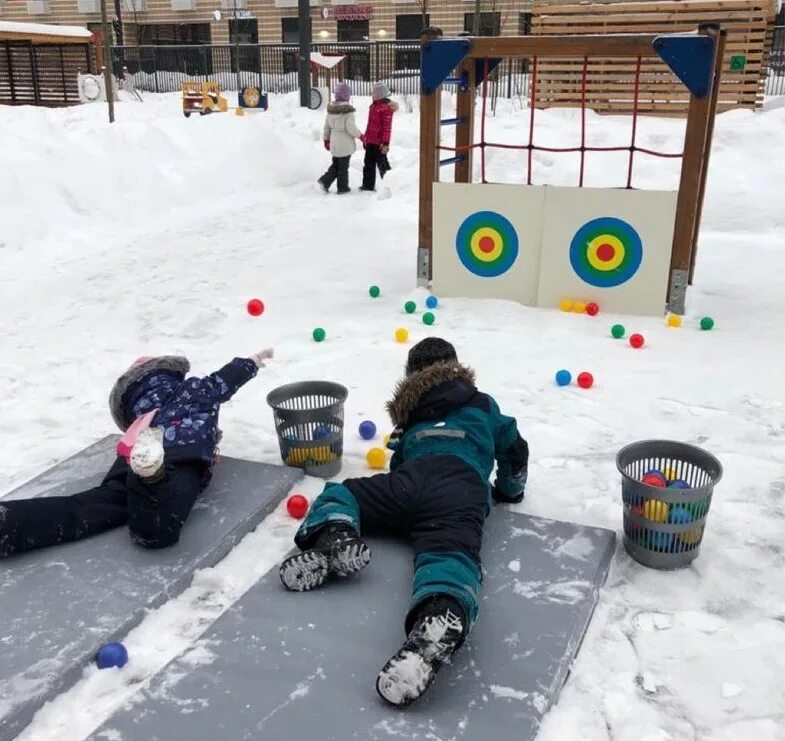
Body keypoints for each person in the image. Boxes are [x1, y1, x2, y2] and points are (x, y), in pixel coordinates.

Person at [279, 338, 529, 707]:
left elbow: (401, 463)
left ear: (411, 376)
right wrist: (510, 490)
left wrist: (399, 503)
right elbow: (514, 449)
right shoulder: (482, 404)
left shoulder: (413, 411)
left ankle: (335, 534)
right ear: (457, 368)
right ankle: (441, 609)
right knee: (449, 552)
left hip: (411, 481)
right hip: (460, 489)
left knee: (344, 494)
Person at [0, 350, 273, 558]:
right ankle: (151, 477)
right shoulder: (190, 390)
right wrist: (250, 362)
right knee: (156, 530)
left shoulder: (140, 411)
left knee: (88, 507)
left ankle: (10, 523)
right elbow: (221, 381)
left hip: (131, 455)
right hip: (181, 457)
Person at [318, 82, 363, 195]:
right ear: (347, 96)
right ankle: (342, 187)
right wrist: (361, 136)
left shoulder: (331, 110)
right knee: (343, 167)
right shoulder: (348, 112)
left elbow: (326, 127)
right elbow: (351, 128)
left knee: (336, 164)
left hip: (334, 141)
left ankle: (325, 181)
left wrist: (326, 140)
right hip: (345, 143)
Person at [360, 82, 398, 192]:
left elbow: (387, 128)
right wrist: (366, 138)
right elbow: (369, 125)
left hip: (379, 143)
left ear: (380, 94)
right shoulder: (373, 107)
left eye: (374, 93)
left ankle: (390, 185)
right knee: (368, 164)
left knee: (383, 165)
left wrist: (386, 143)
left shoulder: (386, 109)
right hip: (370, 142)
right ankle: (368, 185)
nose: (372, 94)